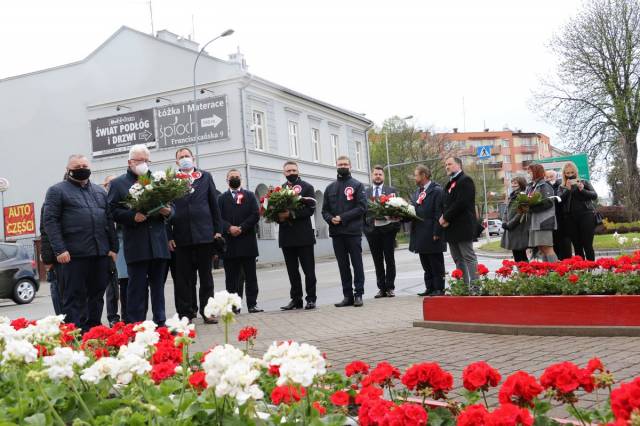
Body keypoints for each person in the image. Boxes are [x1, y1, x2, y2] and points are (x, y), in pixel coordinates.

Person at [43, 154, 117, 331]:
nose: (82, 169)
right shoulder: (57, 191)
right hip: (72, 256)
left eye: (84, 165)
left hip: (99, 254)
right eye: (77, 166)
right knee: (73, 298)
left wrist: (114, 248)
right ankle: (76, 335)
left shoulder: (100, 192)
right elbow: (50, 222)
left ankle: (94, 331)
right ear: (68, 170)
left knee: (97, 295)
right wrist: (59, 250)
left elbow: (108, 221)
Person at [108, 144, 172, 326]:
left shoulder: (156, 180)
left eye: (146, 160)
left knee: (158, 287)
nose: (143, 164)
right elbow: (112, 211)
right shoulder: (118, 184)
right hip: (136, 244)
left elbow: (171, 205)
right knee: (136, 287)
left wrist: (168, 212)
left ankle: (160, 321)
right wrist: (132, 217)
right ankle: (136, 324)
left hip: (158, 243)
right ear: (130, 162)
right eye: (139, 160)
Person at [169, 147, 222, 324]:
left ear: (193, 158)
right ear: (177, 162)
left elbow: (214, 204)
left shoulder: (205, 177)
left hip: (204, 235)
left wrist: (217, 229)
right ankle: (186, 312)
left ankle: (208, 312)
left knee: (206, 277)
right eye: (181, 157)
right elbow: (166, 211)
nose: (184, 159)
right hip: (181, 237)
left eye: (187, 156)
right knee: (184, 279)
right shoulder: (170, 180)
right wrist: (169, 235)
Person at [322, 156, 367, 307]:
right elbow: (324, 211)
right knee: (343, 265)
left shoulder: (357, 185)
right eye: (340, 164)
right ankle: (347, 296)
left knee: (357, 263)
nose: (343, 166)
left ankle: (358, 294)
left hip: (353, 232)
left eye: (345, 164)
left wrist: (342, 217)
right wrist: (330, 219)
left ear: (350, 166)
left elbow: (361, 207)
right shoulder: (330, 188)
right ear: (336, 166)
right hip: (337, 233)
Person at [218, 169, 263, 313]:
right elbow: (217, 217)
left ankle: (252, 304)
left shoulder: (249, 195)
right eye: (232, 177)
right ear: (227, 180)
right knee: (231, 278)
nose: (235, 179)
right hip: (229, 243)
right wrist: (229, 228)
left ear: (241, 179)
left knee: (251, 276)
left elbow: (255, 214)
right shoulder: (221, 198)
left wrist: (242, 228)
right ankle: (233, 306)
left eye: (237, 177)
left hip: (247, 242)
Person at [277, 161, 318, 311]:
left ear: (298, 171)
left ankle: (311, 299)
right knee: (292, 271)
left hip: (304, 236)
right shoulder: (280, 189)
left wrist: (291, 215)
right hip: (286, 237)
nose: (291, 173)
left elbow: (310, 210)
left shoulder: (307, 187)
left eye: (293, 170)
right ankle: (296, 299)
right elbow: (275, 211)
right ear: (284, 173)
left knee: (308, 270)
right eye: (288, 171)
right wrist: (278, 216)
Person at [439, 157, 479, 292]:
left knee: (468, 257)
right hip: (451, 228)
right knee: (457, 259)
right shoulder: (450, 183)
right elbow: (447, 203)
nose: (447, 166)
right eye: (446, 164)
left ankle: (475, 287)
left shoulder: (465, 180)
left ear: (458, 165)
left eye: (450, 164)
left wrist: (445, 217)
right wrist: (443, 217)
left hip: (463, 226)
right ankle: (463, 287)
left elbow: (462, 203)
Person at [409, 166, 447, 296]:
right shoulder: (417, 192)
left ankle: (439, 288)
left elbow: (439, 213)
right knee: (426, 263)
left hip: (432, 232)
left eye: (416, 175)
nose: (415, 178)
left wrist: (437, 232)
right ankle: (429, 287)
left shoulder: (437, 191)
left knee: (436, 263)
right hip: (420, 234)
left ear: (424, 175)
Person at [364, 165, 400, 298]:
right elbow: (364, 212)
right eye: (375, 174)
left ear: (383, 176)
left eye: (380, 174)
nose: (378, 176)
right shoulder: (366, 192)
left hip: (388, 231)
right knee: (377, 261)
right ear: (372, 176)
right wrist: (366, 229)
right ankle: (381, 288)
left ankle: (390, 287)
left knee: (389, 259)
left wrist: (395, 228)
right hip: (372, 232)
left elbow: (399, 210)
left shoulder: (391, 190)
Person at [557, 162, 598, 260]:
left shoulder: (584, 182)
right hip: (570, 218)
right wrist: (567, 189)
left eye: (572, 172)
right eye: (567, 173)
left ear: (576, 172)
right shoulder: (561, 186)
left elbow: (594, 196)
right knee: (577, 246)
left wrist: (582, 189)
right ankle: (581, 269)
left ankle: (591, 269)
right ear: (564, 174)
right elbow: (559, 200)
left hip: (586, 215)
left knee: (587, 245)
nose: (570, 175)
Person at [525, 164, 558, 262]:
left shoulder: (545, 185)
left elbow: (548, 203)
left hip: (544, 222)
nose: (528, 174)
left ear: (536, 172)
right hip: (535, 222)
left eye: (530, 172)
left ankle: (556, 271)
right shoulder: (532, 186)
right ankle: (548, 272)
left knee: (547, 247)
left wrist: (531, 207)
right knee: (542, 248)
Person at [102, 175, 122, 326]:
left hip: (123, 248)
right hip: (109, 251)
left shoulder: (122, 201)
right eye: (109, 183)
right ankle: (113, 317)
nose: (112, 185)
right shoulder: (101, 201)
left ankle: (127, 313)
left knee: (126, 283)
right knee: (112, 286)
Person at [500, 177, 529, 262]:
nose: (513, 185)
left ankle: (526, 273)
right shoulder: (512, 195)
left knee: (521, 255)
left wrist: (510, 224)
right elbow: (506, 210)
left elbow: (521, 213)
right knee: (516, 254)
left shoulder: (523, 195)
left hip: (519, 228)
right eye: (512, 183)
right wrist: (504, 222)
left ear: (521, 184)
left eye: (516, 183)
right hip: (511, 229)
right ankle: (521, 273)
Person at [545, 170, 572, 260]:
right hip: (550, 218)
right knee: (554, 242)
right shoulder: (544, 187)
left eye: (551, 176)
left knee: (565, 243)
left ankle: (567, 263)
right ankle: (556, 264)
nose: (549, 179)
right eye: (547, 177)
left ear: (556, 177)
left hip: (562, 217)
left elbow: (562, 199)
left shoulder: (561, 186)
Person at [39, 204, 61, 315]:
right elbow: (45, 233)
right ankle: (63, 322)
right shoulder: (49, 204)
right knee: (57, 288)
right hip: (56, 260)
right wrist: (47, 259)